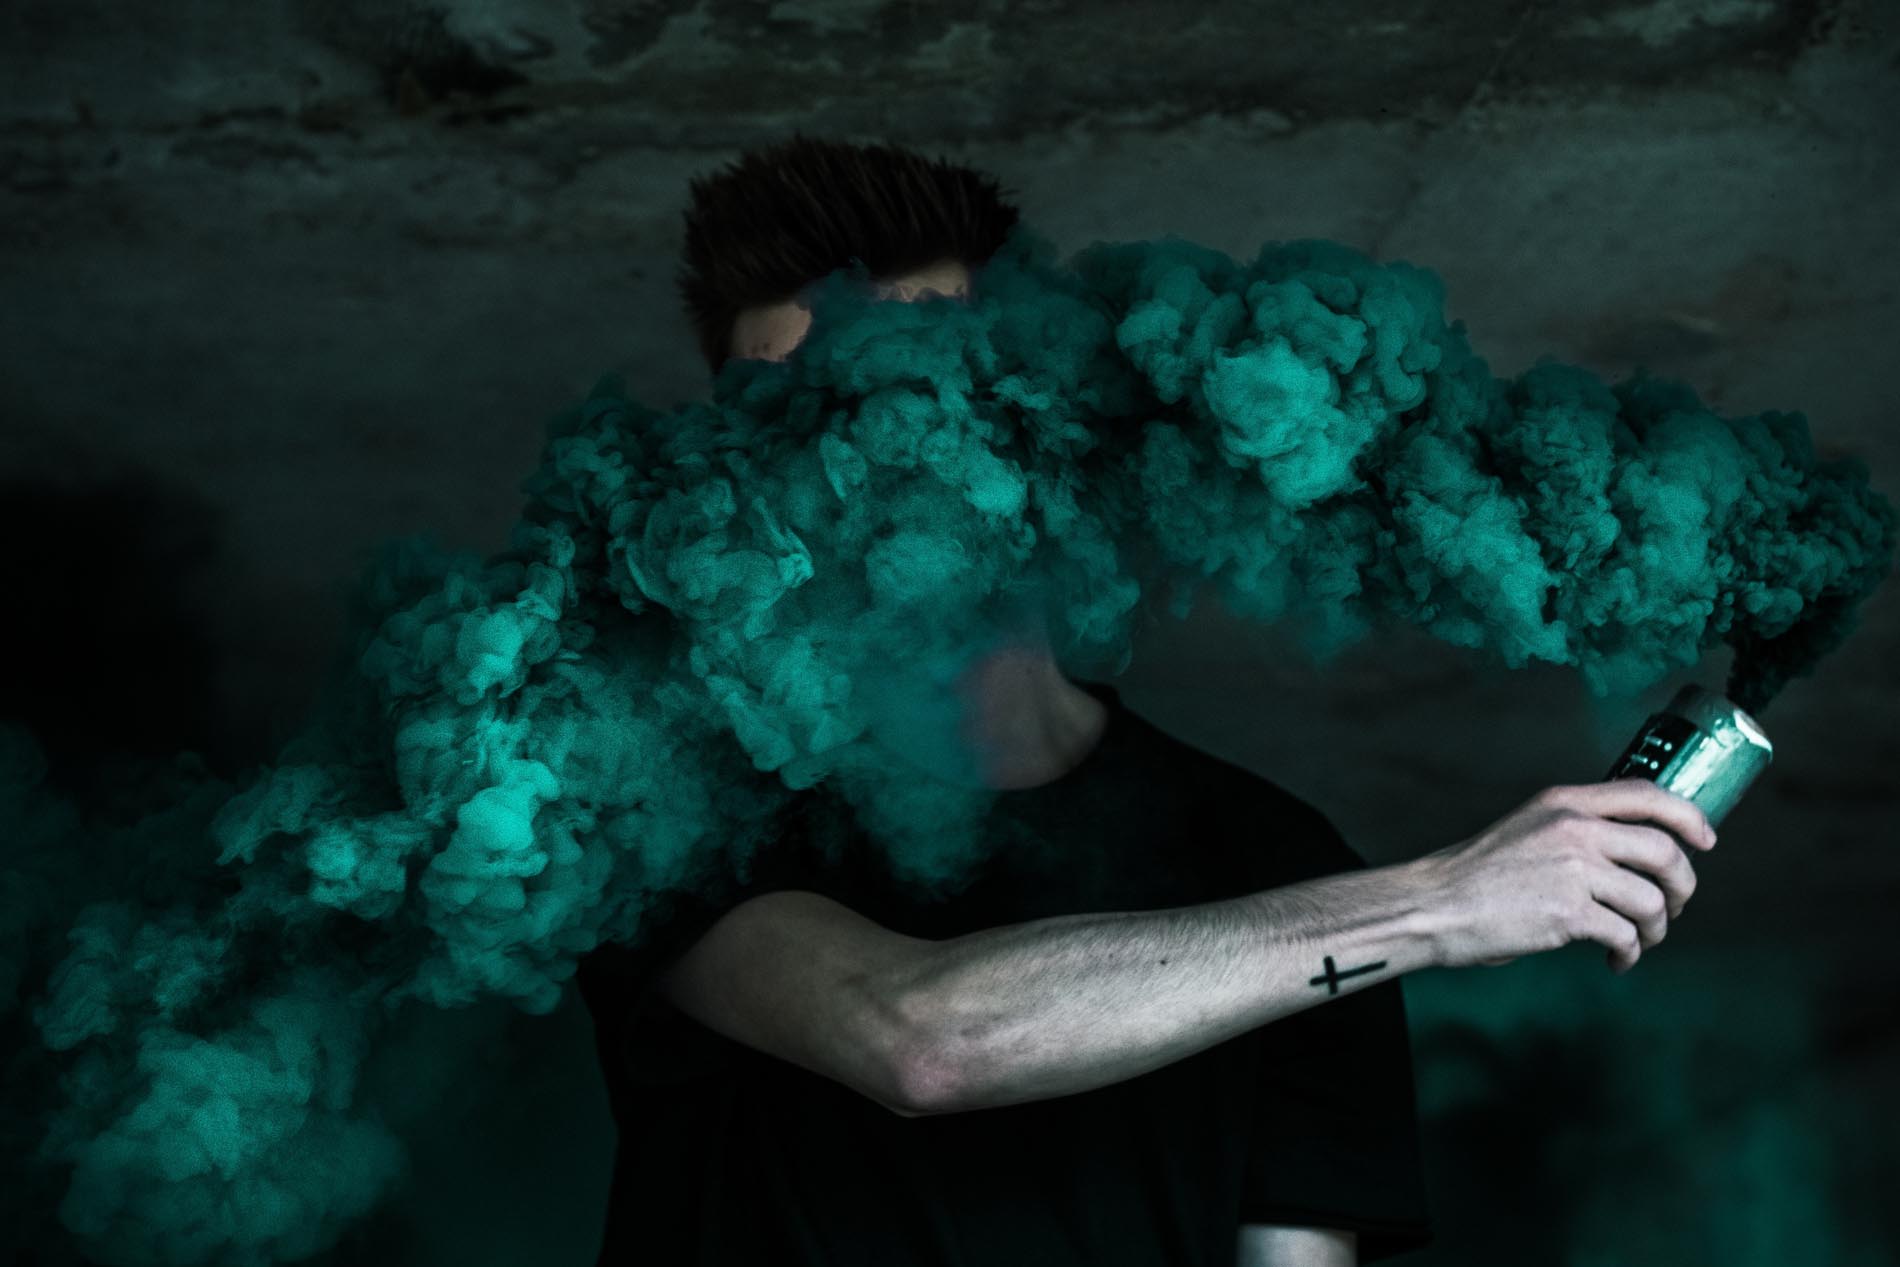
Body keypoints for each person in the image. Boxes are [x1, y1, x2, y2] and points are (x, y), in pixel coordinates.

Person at [574, 135, 1716, 1267]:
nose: (860, 461)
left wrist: (1402, 916)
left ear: (1038, 409)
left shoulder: (1275, 861)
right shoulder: (667, 813)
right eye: (792, 418)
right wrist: (1435, 908)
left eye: (910, 387)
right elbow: (920, 1040)